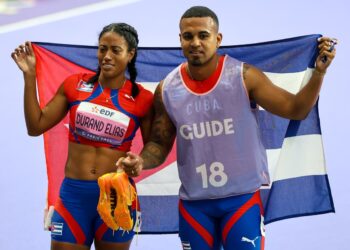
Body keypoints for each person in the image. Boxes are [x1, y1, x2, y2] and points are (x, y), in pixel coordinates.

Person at [118, 6, 337, 250]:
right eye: (188, 36)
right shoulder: (167, 88)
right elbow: (158, 144)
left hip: (241, 201)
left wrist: (319, 72)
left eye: (203, 35)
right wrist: (140, 161)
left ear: (218, 39)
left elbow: (296, 109)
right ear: (180, 39)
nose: (195, 42)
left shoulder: (243, 76)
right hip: (195, 206)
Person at [11, 23, 154, 250]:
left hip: (116, 198)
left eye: (115, 50)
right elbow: (36, 126)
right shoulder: (75, 85)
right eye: (102, 49)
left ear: (130, 55)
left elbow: (154, 147)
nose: (106, 56)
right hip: (73, 197)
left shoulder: (143, 99)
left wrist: (140, 161)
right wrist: (29, 77)